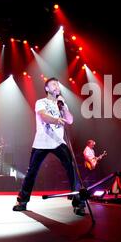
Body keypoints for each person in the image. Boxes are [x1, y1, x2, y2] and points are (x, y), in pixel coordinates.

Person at [13, 77, 85, 215]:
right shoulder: (41, 102)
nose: (57, 86)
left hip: (58, 142)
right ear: (47, 88)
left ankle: (78, 203)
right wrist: (56, 120)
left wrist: (63, 106)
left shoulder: (61, 103)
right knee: (32, 172)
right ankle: (22, 201)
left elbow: (70, 120)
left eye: (58, 84)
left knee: (72, 169)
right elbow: (43, 117)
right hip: (41, 142)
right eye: (53, 84)